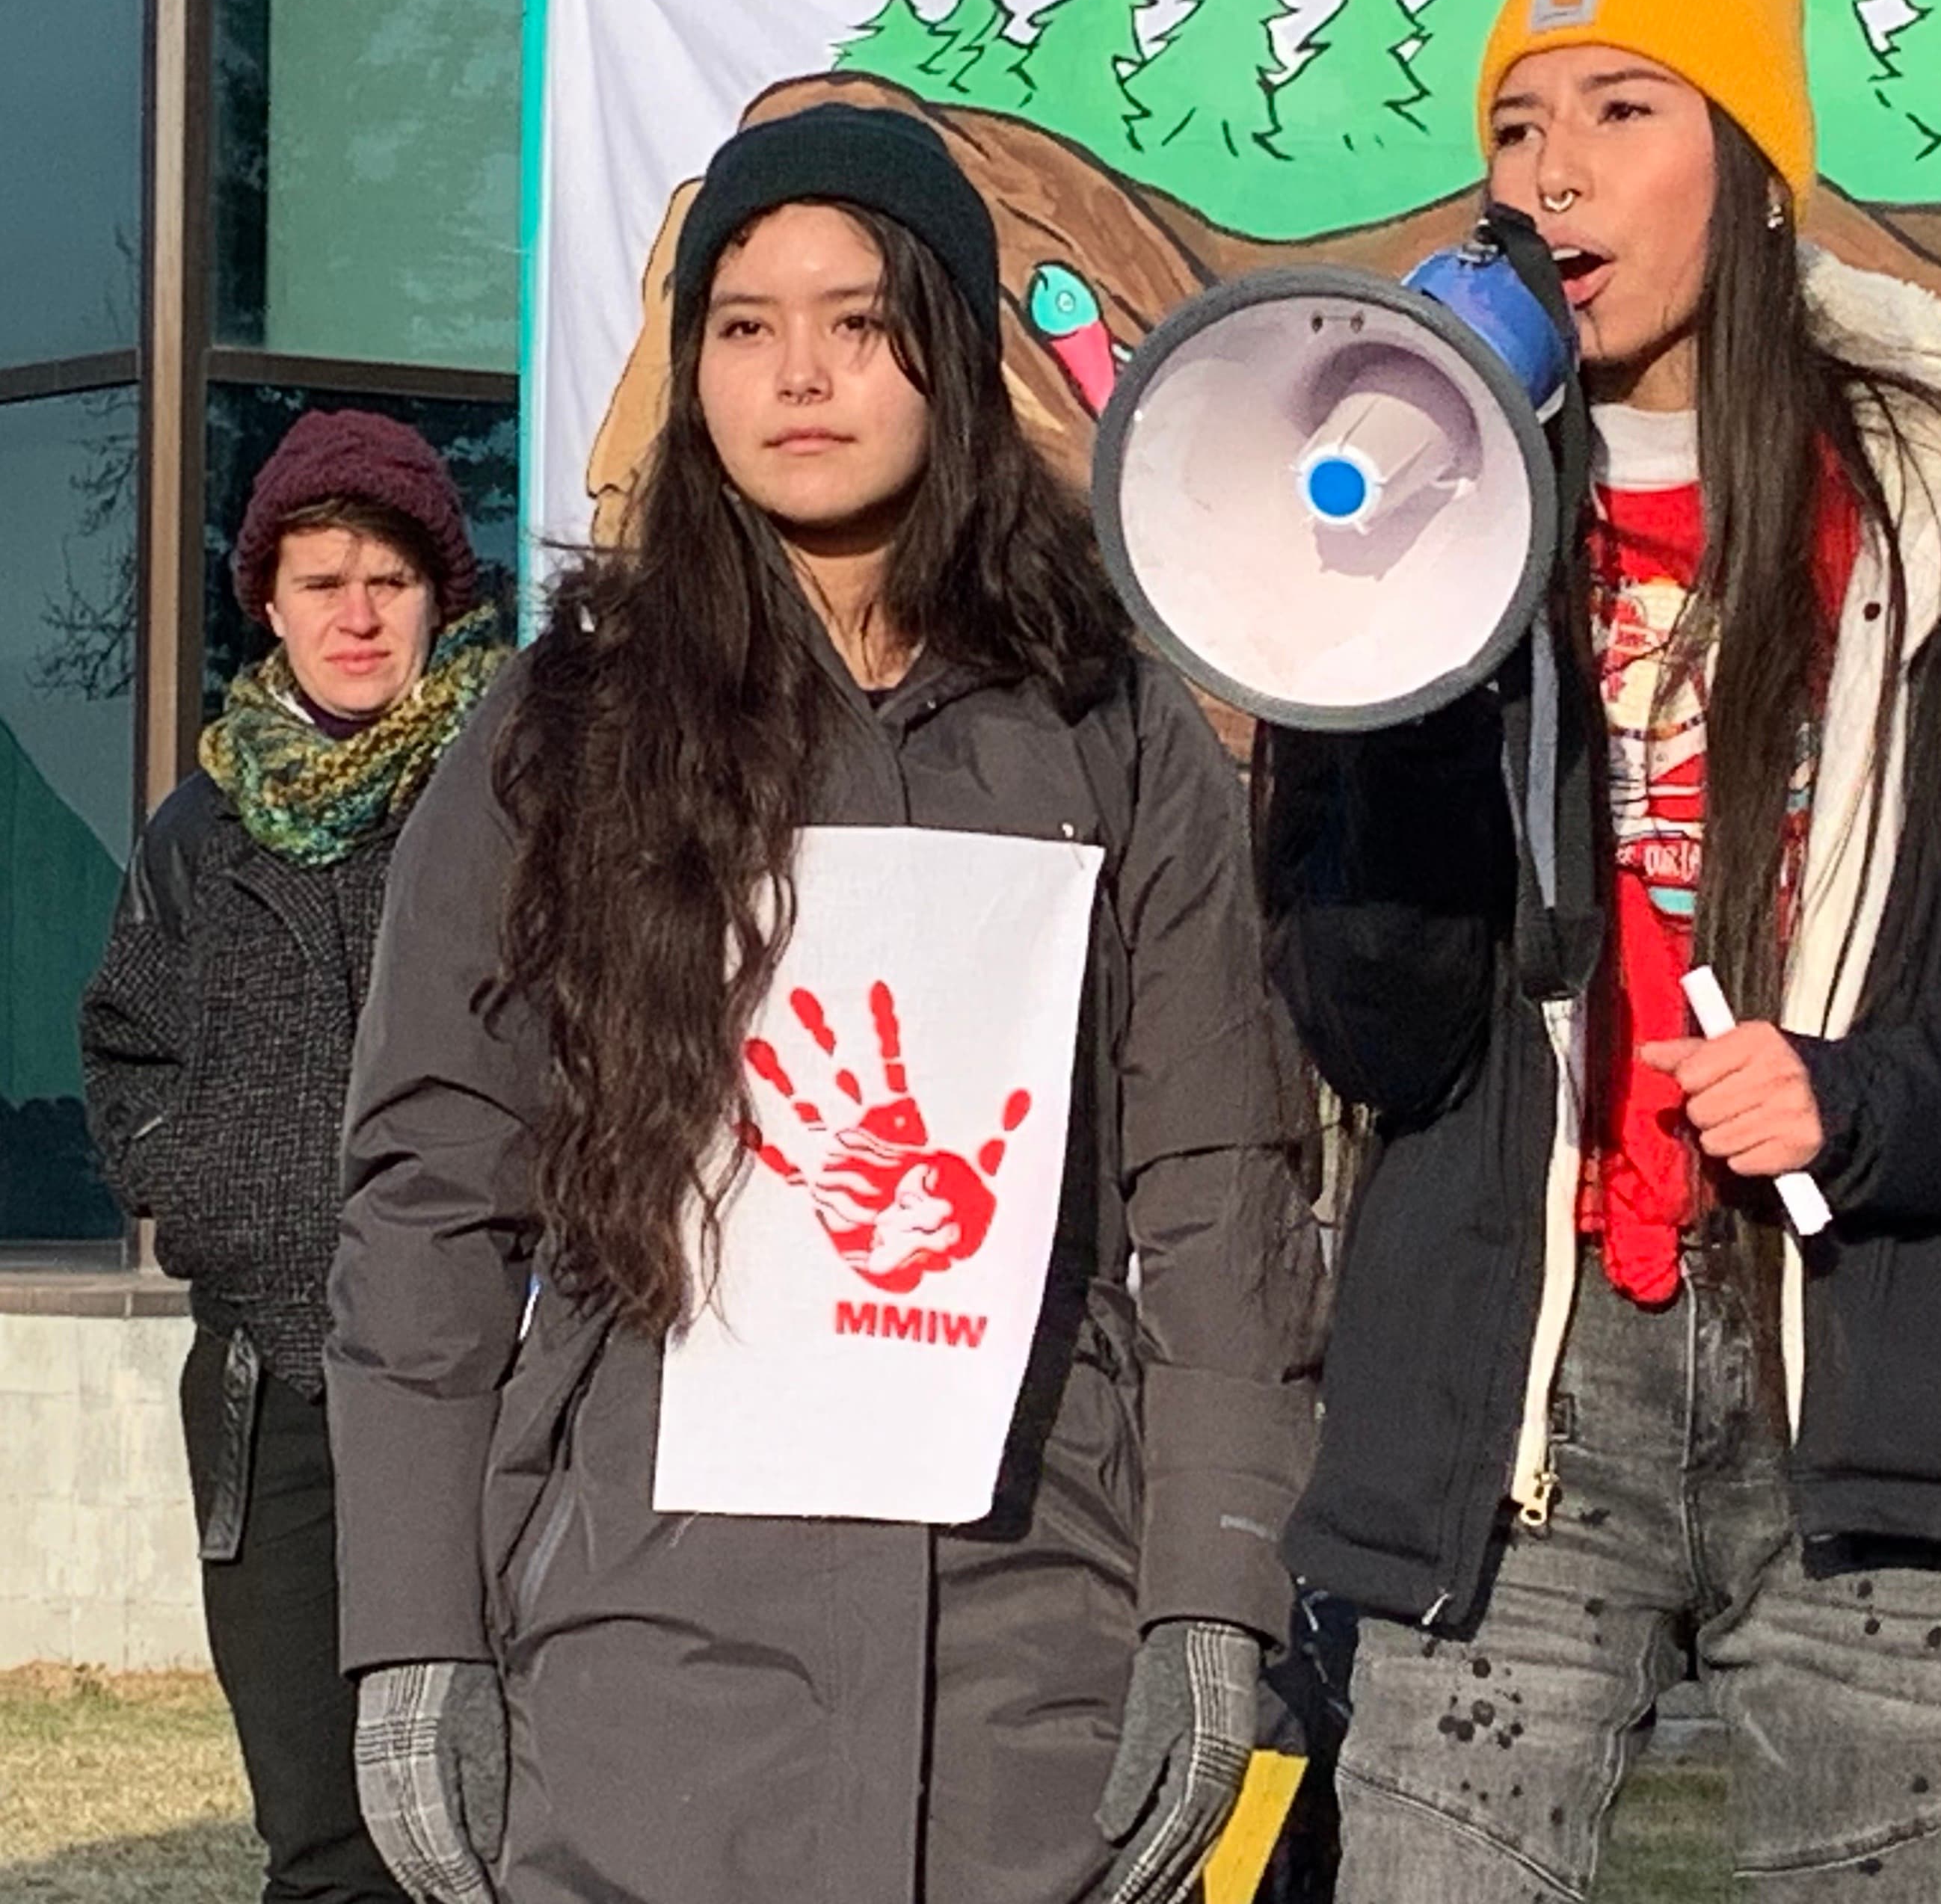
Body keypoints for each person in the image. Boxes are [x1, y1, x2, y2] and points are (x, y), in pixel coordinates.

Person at [1260, 0, 1941, 1902]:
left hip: (1873, 1399)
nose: (1555, 172)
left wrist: (1859, 1101)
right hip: (1510, 1414)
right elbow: (1377, 1032)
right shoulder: (1409, 512)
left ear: (1757, 173)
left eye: (1622, 111)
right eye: (1517, 127)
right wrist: (1395, 686)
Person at [324, 105, 1323, 1904]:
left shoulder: (1109, 724)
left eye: (857, 322)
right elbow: (428, 1193)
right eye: (743, 324)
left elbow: (1218, 1181)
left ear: (950, 346)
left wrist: (1208, 1589)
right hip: (643, 1657)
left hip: (1031, 1635)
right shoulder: (568, 725)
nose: (798, 373)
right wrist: (411, 1627)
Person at [80, 410, 508, 1904]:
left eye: (390, 580)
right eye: (322, 581)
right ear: (268, 600)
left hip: (489, 1377)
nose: (357, 615)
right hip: (271, 1393)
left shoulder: (523, 794)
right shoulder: (199, 832)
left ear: (441, 597)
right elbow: (125, 1047)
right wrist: (211, 1191)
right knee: (322, 1837)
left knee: (494, 1818)